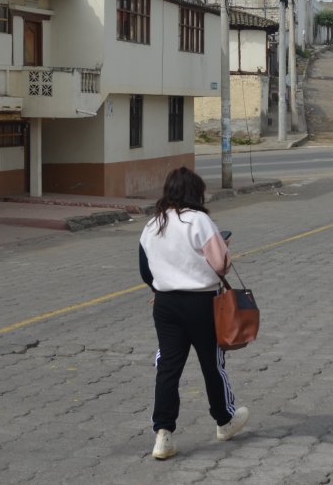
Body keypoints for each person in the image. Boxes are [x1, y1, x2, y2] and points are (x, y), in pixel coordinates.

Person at [139, 166, 249, 460]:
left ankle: (163, 434)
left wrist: (159, 286)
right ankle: (224, 420)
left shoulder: (153, 224)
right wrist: (224, 247)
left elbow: (144, 269)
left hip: (165, 304)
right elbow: (220, 265)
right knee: (212, 363)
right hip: (202, 303)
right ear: (194, 192)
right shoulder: (199, 220)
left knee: (168, 366)